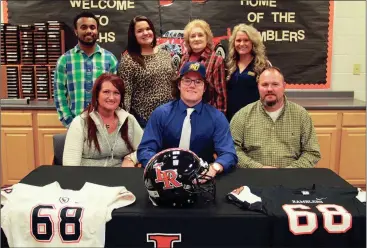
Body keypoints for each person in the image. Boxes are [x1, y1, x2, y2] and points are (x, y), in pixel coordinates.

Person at [138, 62, 238, 179]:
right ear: (179, 85)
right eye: (187, 80)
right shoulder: (161, 114)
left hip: (201, 179)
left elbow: (228, 153)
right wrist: (159, 168)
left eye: (198, 81)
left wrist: (214, 168)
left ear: (205, 87)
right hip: (164, 178)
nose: (192, 85)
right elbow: (146, 149)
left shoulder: (217, 118)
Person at [230, 67, 321, 168]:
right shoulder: (242, 116)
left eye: (275, 84)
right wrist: (257, 168)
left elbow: (312, 152)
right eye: (264, 84)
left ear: (284, 86)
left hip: (292, 178)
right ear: (258, 87)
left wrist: (289, 171)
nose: (269, 89)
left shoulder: (301, 115)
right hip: (254, 178)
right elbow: (232, 149)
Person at [63, 73, 143, 167]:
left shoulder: (129, 120)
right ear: (97, 95)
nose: (111, 97)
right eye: (106, 92)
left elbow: (145, 148)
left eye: (116, 93)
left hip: (121, 178)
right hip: (87, 178)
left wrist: (131, 158)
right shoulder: (80, 122)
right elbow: (70, 164)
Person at [54, 11, 118, 127]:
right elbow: (59, 95)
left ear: (97, 31)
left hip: (104, 126)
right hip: (76, 125)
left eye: (92, 27)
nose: (89, 31)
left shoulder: (110, 60)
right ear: (76, 31)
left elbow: (116, 94)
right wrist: (70, 122)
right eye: (83, 27)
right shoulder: (65, 60)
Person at [118, 15, 175, 128]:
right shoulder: (128, 60)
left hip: (170, 116)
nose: (145, 33)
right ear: (133, 35)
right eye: (140, 31)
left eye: (148, 29)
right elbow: (126, 94)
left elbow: (175, 82)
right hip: (144, 120)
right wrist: (125, 123)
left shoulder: (164, 54)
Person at [179, 19, 227, 115]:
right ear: (188, 40)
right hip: (184, 112)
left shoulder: (216, 60)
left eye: (200, 35)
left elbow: (220, 95)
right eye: (193, 36)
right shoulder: (184, 59)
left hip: (206, 114)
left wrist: (219, 120)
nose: (196, 39)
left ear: (207, 38)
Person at [226, 24, 271, 121]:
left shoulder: (263, 65)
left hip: (254, 120)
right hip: (231, 119)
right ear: (233, 43)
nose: (242, 44)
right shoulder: (228, 65)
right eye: (238, 40)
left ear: (253, 42)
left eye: (246, 40)